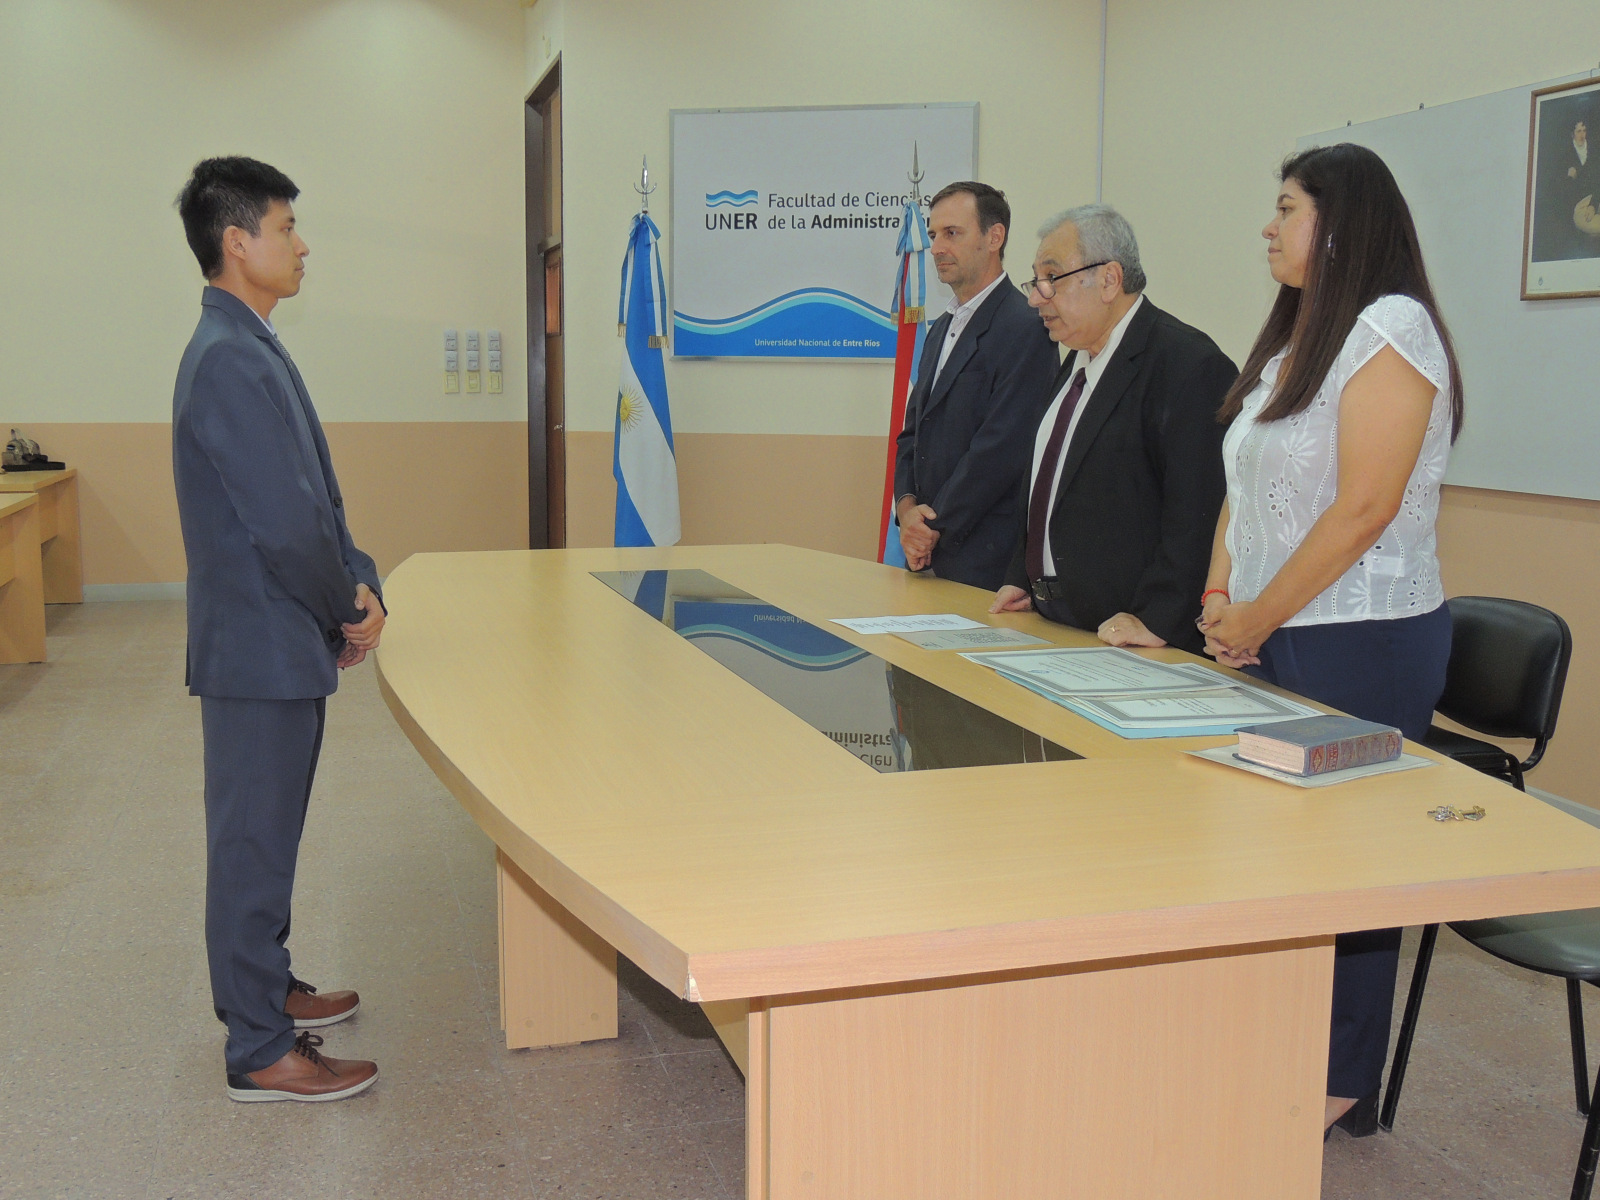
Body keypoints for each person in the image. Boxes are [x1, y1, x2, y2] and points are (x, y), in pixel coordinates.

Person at [1198, 142, 1464, 1136]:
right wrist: (1222, 595)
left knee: (1349, 867)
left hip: (1362, 641)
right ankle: (1271, 1043)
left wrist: (1259, 615)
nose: (1268, 227)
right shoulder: (1295, 341)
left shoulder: (1393, 328)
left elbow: (1364, 508)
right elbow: (1242, 487)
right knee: (1267, 857)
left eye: (1286, 208)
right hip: (1272, 632)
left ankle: (1340, 1080)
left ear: (1341, 223)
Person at [172, 157, 385, 1102]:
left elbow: (314, 498)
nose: (302, 246)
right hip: (258, 649)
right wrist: (346, 606)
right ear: (237, 242)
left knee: (270, 835)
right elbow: (285, 527)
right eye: (287, 227)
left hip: (278, 639)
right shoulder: (227, 357)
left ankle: (270, 987)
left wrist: (359, 578)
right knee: (251, 845)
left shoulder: (248, 342)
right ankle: (259, 1048)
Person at [989, 206, 1236, 653]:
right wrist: (1024, 578)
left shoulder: (1188, 365)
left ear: (1108, 280)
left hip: (1134, 642)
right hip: (1057, 623)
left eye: (1052, 278)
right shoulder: (1077, 360)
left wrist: (1159, 617)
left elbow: (1198, 514)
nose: (1035, 298)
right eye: (1036, 280)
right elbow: (1051, 482)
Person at [893, 182, 1060, 589]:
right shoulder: (940, 329)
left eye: (952, 233)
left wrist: (932, 527)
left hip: (986, 565)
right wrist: (907, 509)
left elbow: (1001, 450)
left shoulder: (1026, 327)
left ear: (994, 237)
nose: (936, 248)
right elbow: (913, 434)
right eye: (933, 235)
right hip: (925, 552)